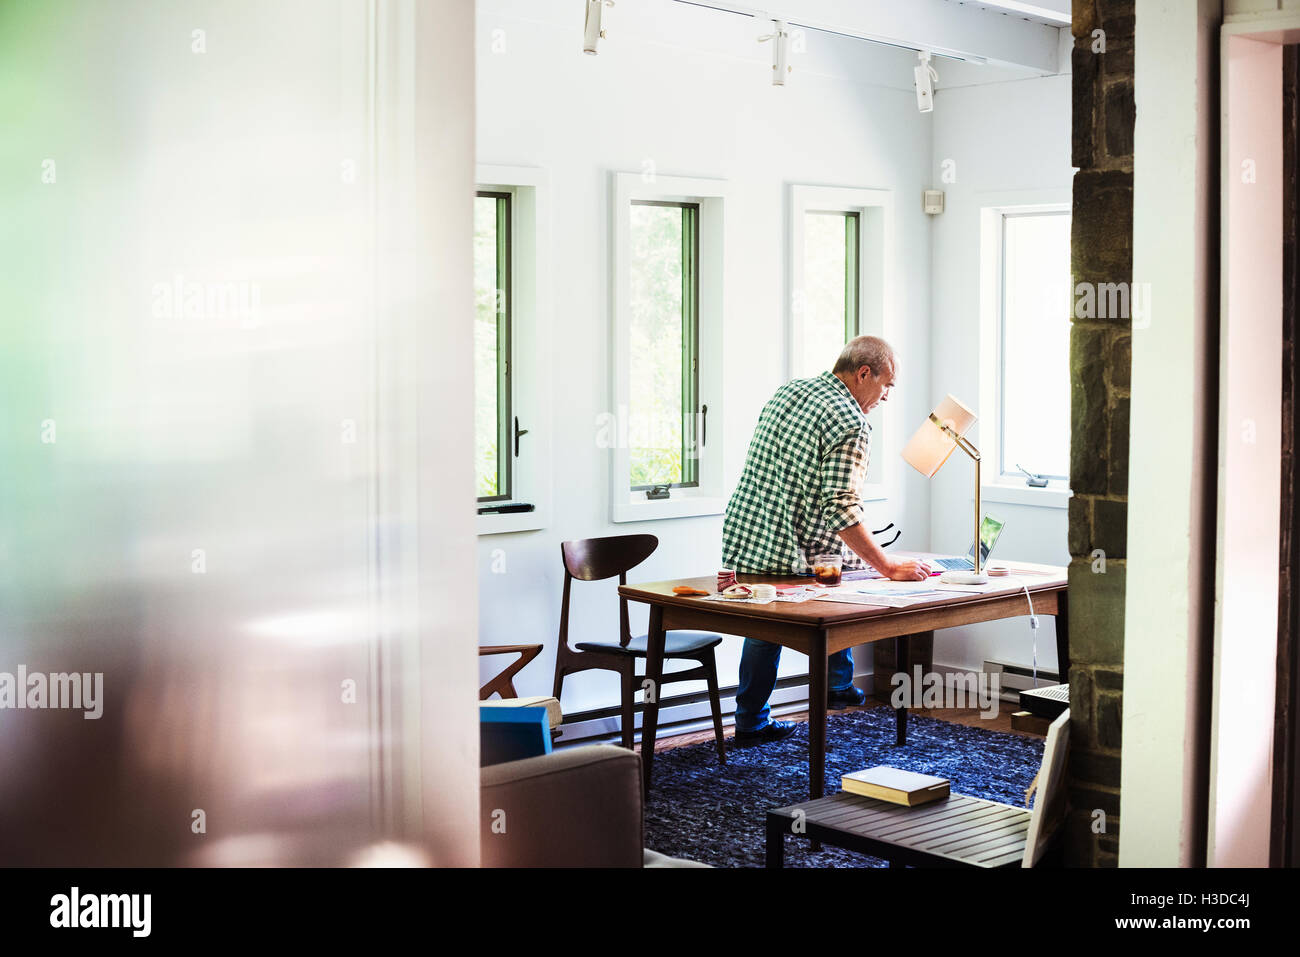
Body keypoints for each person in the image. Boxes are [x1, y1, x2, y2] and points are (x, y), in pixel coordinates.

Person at [722, 335, 931, 743]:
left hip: (748, 529)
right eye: (887, 385)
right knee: (848, 591)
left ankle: (754, 720)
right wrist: (887, 566)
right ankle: (835, 686)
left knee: (765, 628)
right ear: (864, 373)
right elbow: (840, 505)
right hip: (792, 545)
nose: (887, 396)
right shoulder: (851, 420)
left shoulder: (789, 391)